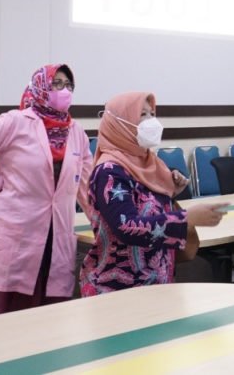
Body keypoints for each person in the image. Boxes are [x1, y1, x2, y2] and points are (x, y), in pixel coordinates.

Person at [0, 64, 92, 314]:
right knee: (8, 314)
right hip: (15, 231)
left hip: (56, 233)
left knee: (50, 314)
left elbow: (87, 182)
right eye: (57, 84)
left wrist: (99, 221)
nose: (64, 90)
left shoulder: (76, 132)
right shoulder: (16, 121)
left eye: (69, 85)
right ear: (41, 86)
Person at [79, 92, 226, 294]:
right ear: (121, 123)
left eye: (152, 114)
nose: (152, 121)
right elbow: (125, 225)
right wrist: (185, 218)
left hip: (155, 282)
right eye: (143, 114)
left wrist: (171, 192)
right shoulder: (109, 171)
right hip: (118, 288)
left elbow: (144, 206)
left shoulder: (150, 163)